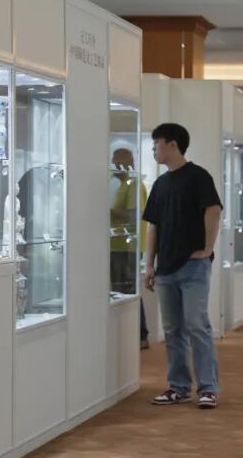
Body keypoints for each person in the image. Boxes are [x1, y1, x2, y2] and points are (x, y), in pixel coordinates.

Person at [142, 123, 224, 410]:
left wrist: (208, 249)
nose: (154, 150)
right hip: (165, 269)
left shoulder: (198, 177)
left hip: (193, 267)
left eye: (156, 144)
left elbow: (213, 210)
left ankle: (208, 388)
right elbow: (153, 227)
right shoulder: (160, 184)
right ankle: (178, 387)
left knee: (197, 326)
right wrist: (149, 264)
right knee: (173, 330)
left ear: (172, 144)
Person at [110, 148, 150, 349]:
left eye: (117, 161)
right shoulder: (122, 185)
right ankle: (129, 335)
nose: (114, 165)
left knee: (128, 289)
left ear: (128, 162)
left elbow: (134, 215)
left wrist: (108, 211)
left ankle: (140, 335)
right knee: (120, 290)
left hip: (128, 247)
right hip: (118, 245)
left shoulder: (134, 185)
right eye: (113, 161)